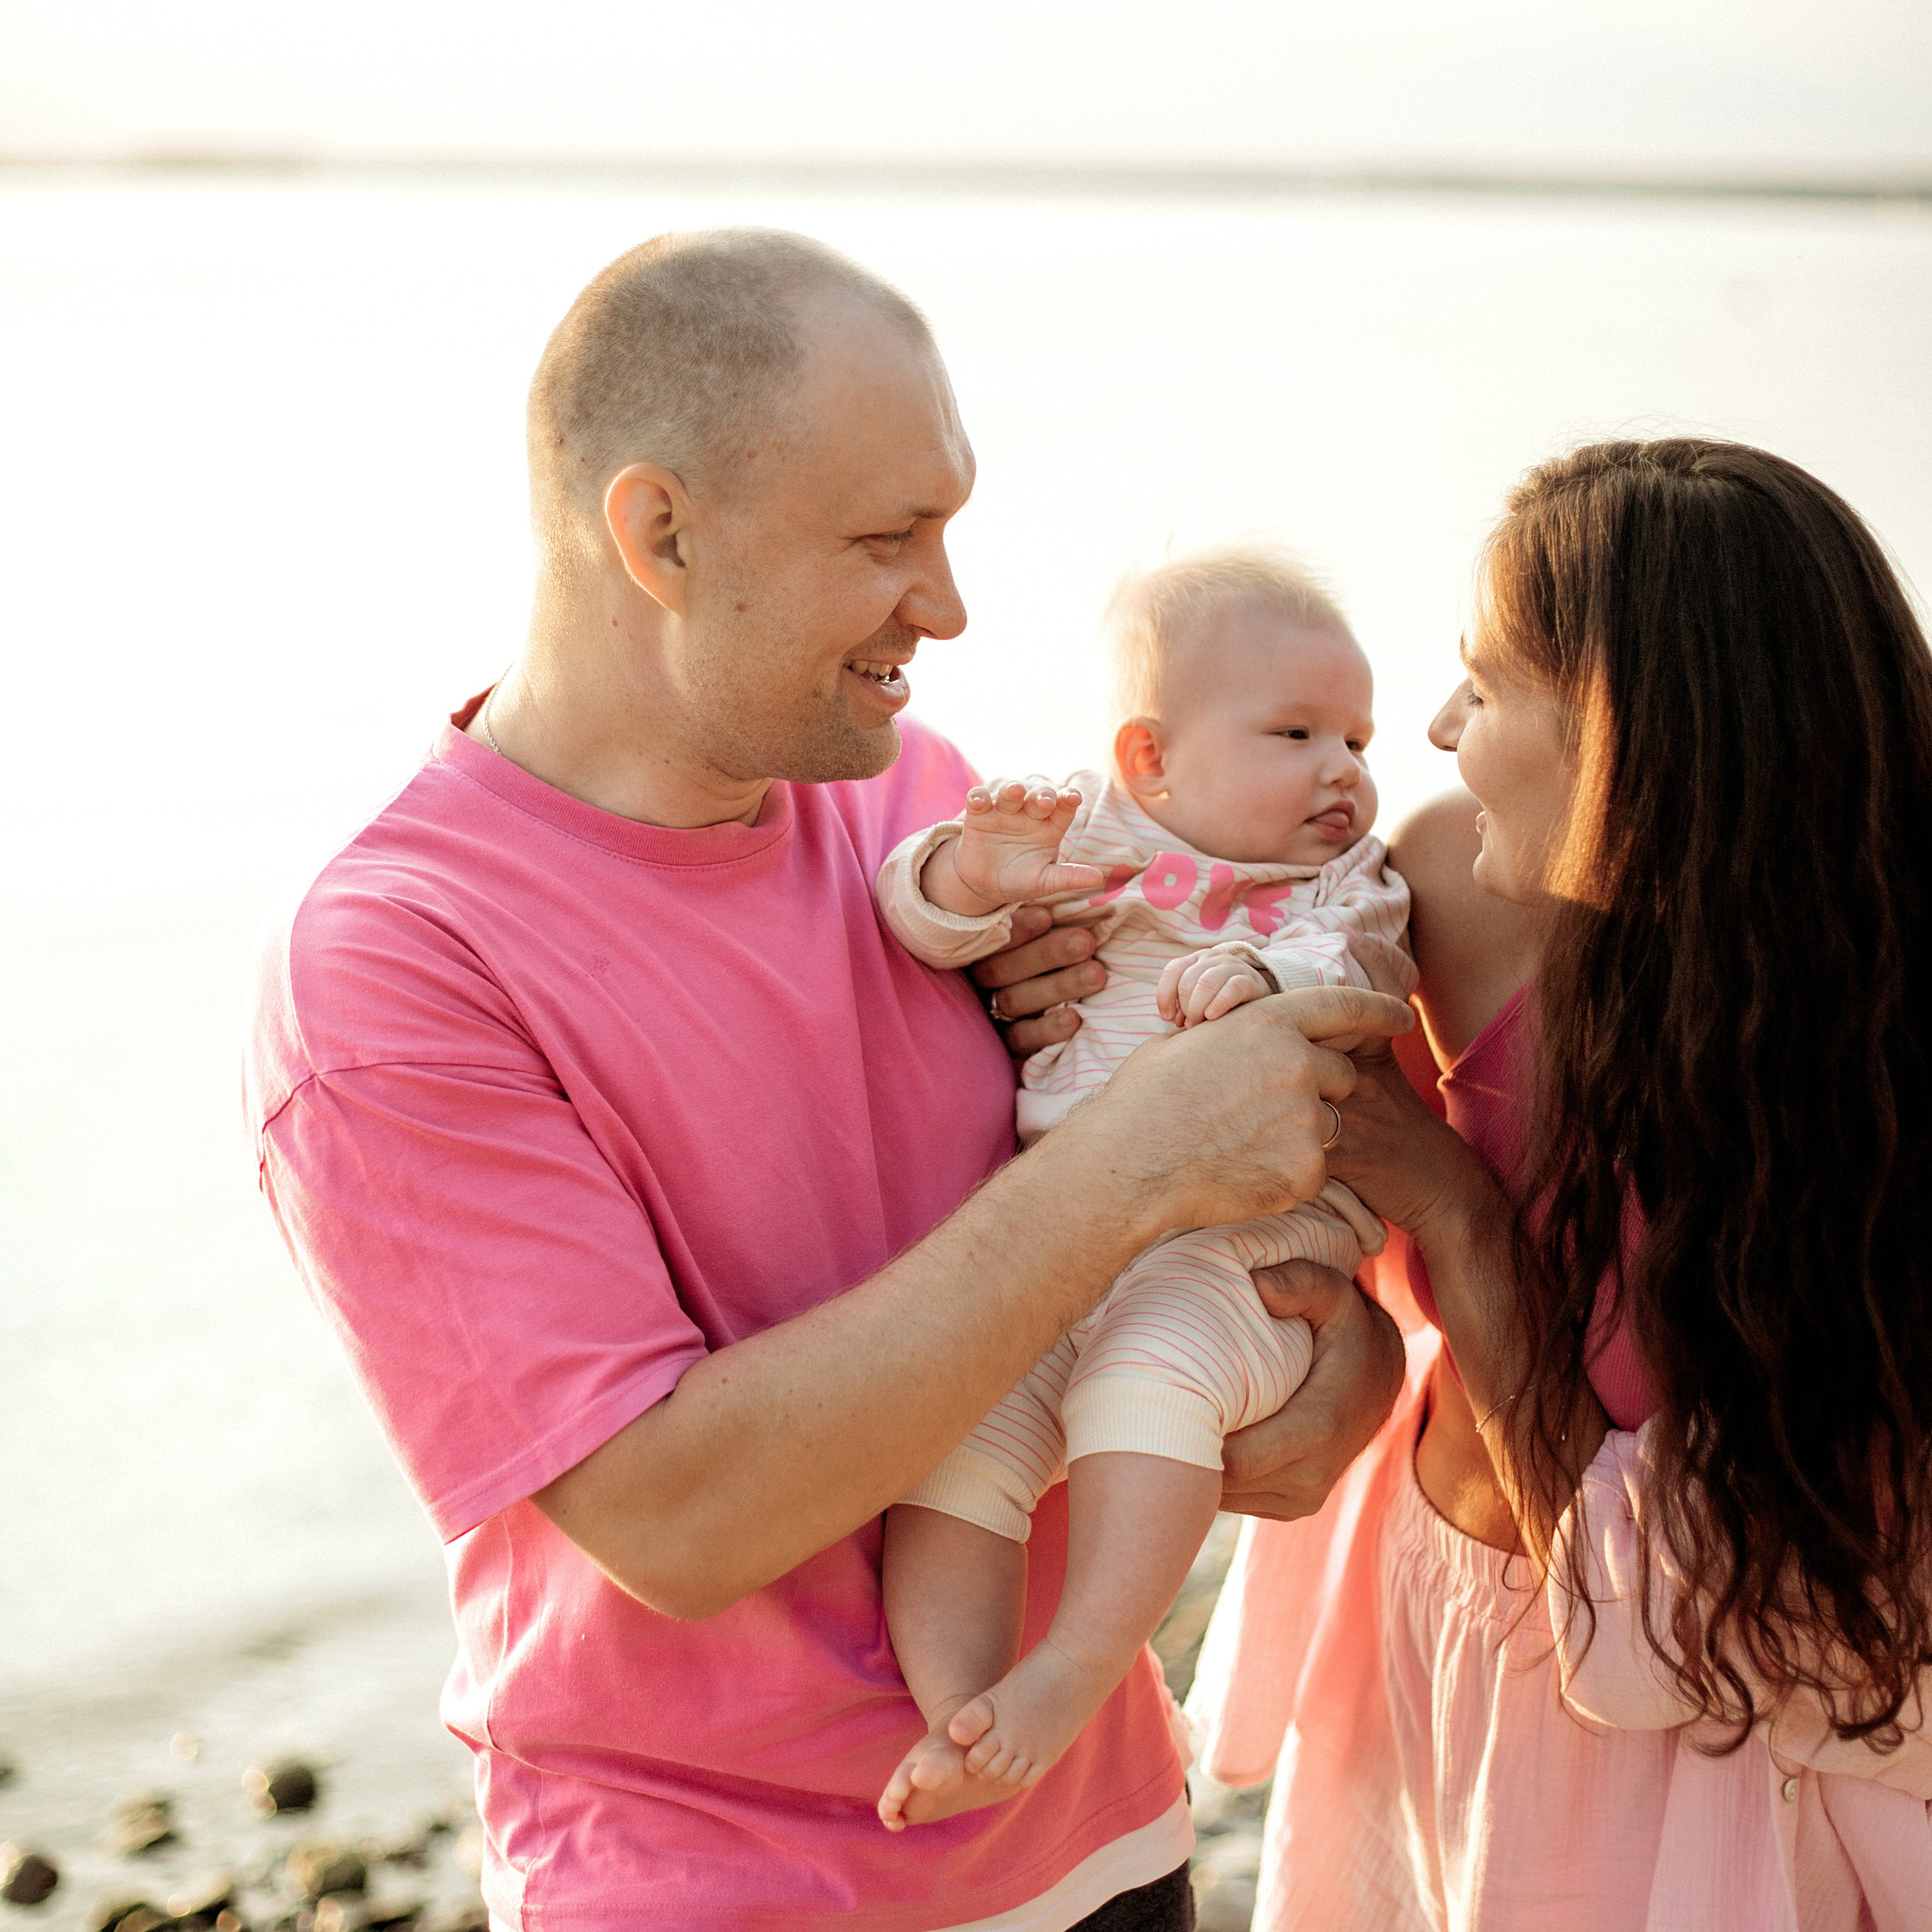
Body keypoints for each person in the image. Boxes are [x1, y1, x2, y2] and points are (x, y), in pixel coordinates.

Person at [242, 228, 1414, 1932]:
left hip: (1102, 1834)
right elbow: (677, 1514)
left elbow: (1182, 1195)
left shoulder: (918, 804)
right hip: (720, 1886)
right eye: (887, 540)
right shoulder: (395, 961)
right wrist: (1137, 1168)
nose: (945, 606)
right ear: (657, 532)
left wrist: (1344, 1359)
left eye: (945, 526)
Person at [1177, 439, 1932, 1929]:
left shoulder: (1884, 1074)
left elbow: (1682, 1628)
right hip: (1437, 1626)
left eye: (1488, 686)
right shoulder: (1451, 891)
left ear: (1638, 737)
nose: (1443, 728)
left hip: (1735, 1735)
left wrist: (1459, 1212)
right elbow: (1194, 1009)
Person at [868, 547, 1413, 1829]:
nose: (1345, 768)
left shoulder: (1340, 881)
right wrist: (969, 880)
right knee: (964, 1423)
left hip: (1248, 1243)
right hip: (1070, 1226)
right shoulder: (1085, 842)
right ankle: (961, 1706)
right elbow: (916, 919)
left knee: (1148, 1378)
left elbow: (1371, 969)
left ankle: (1080, 1666)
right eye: (1296, 732)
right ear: (1151, 757)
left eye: (1357, 736)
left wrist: (1269, 988)